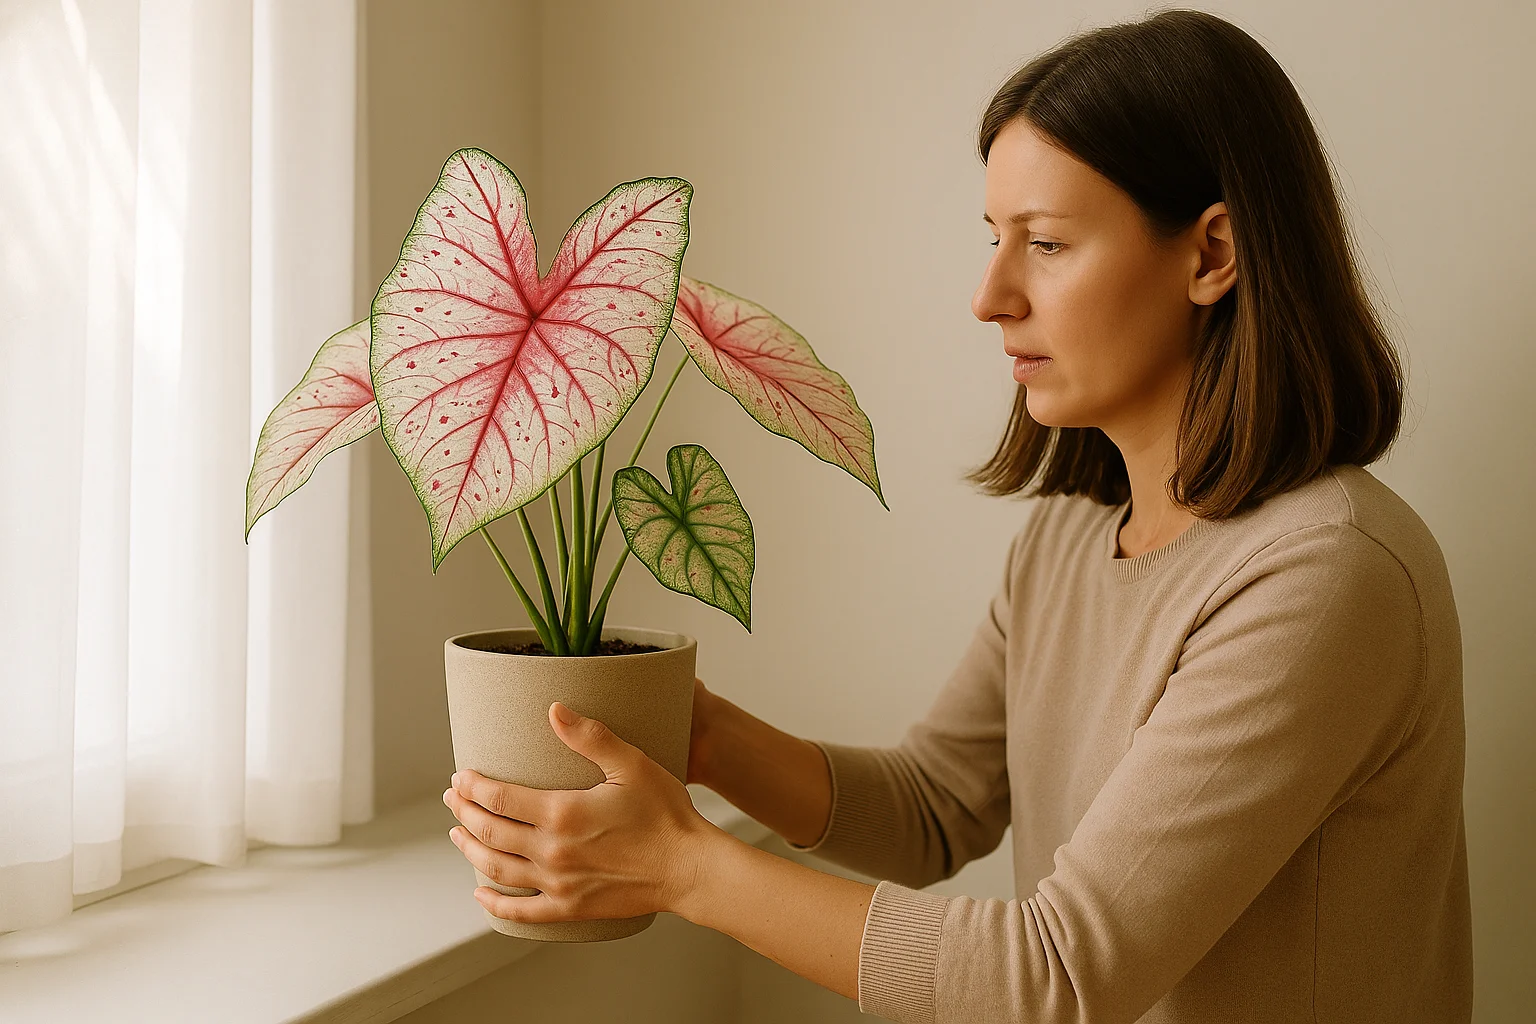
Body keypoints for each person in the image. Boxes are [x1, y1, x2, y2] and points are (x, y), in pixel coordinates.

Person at [440, 8, 1472, 1021]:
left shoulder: (1327, 574)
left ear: (1212, 255)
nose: (990, 295)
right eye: (993, 239)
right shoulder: (1066, 542)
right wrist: (697, 738)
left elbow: (1060, 977)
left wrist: (683, 867)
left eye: (1049, 244)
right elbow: (935, 808)